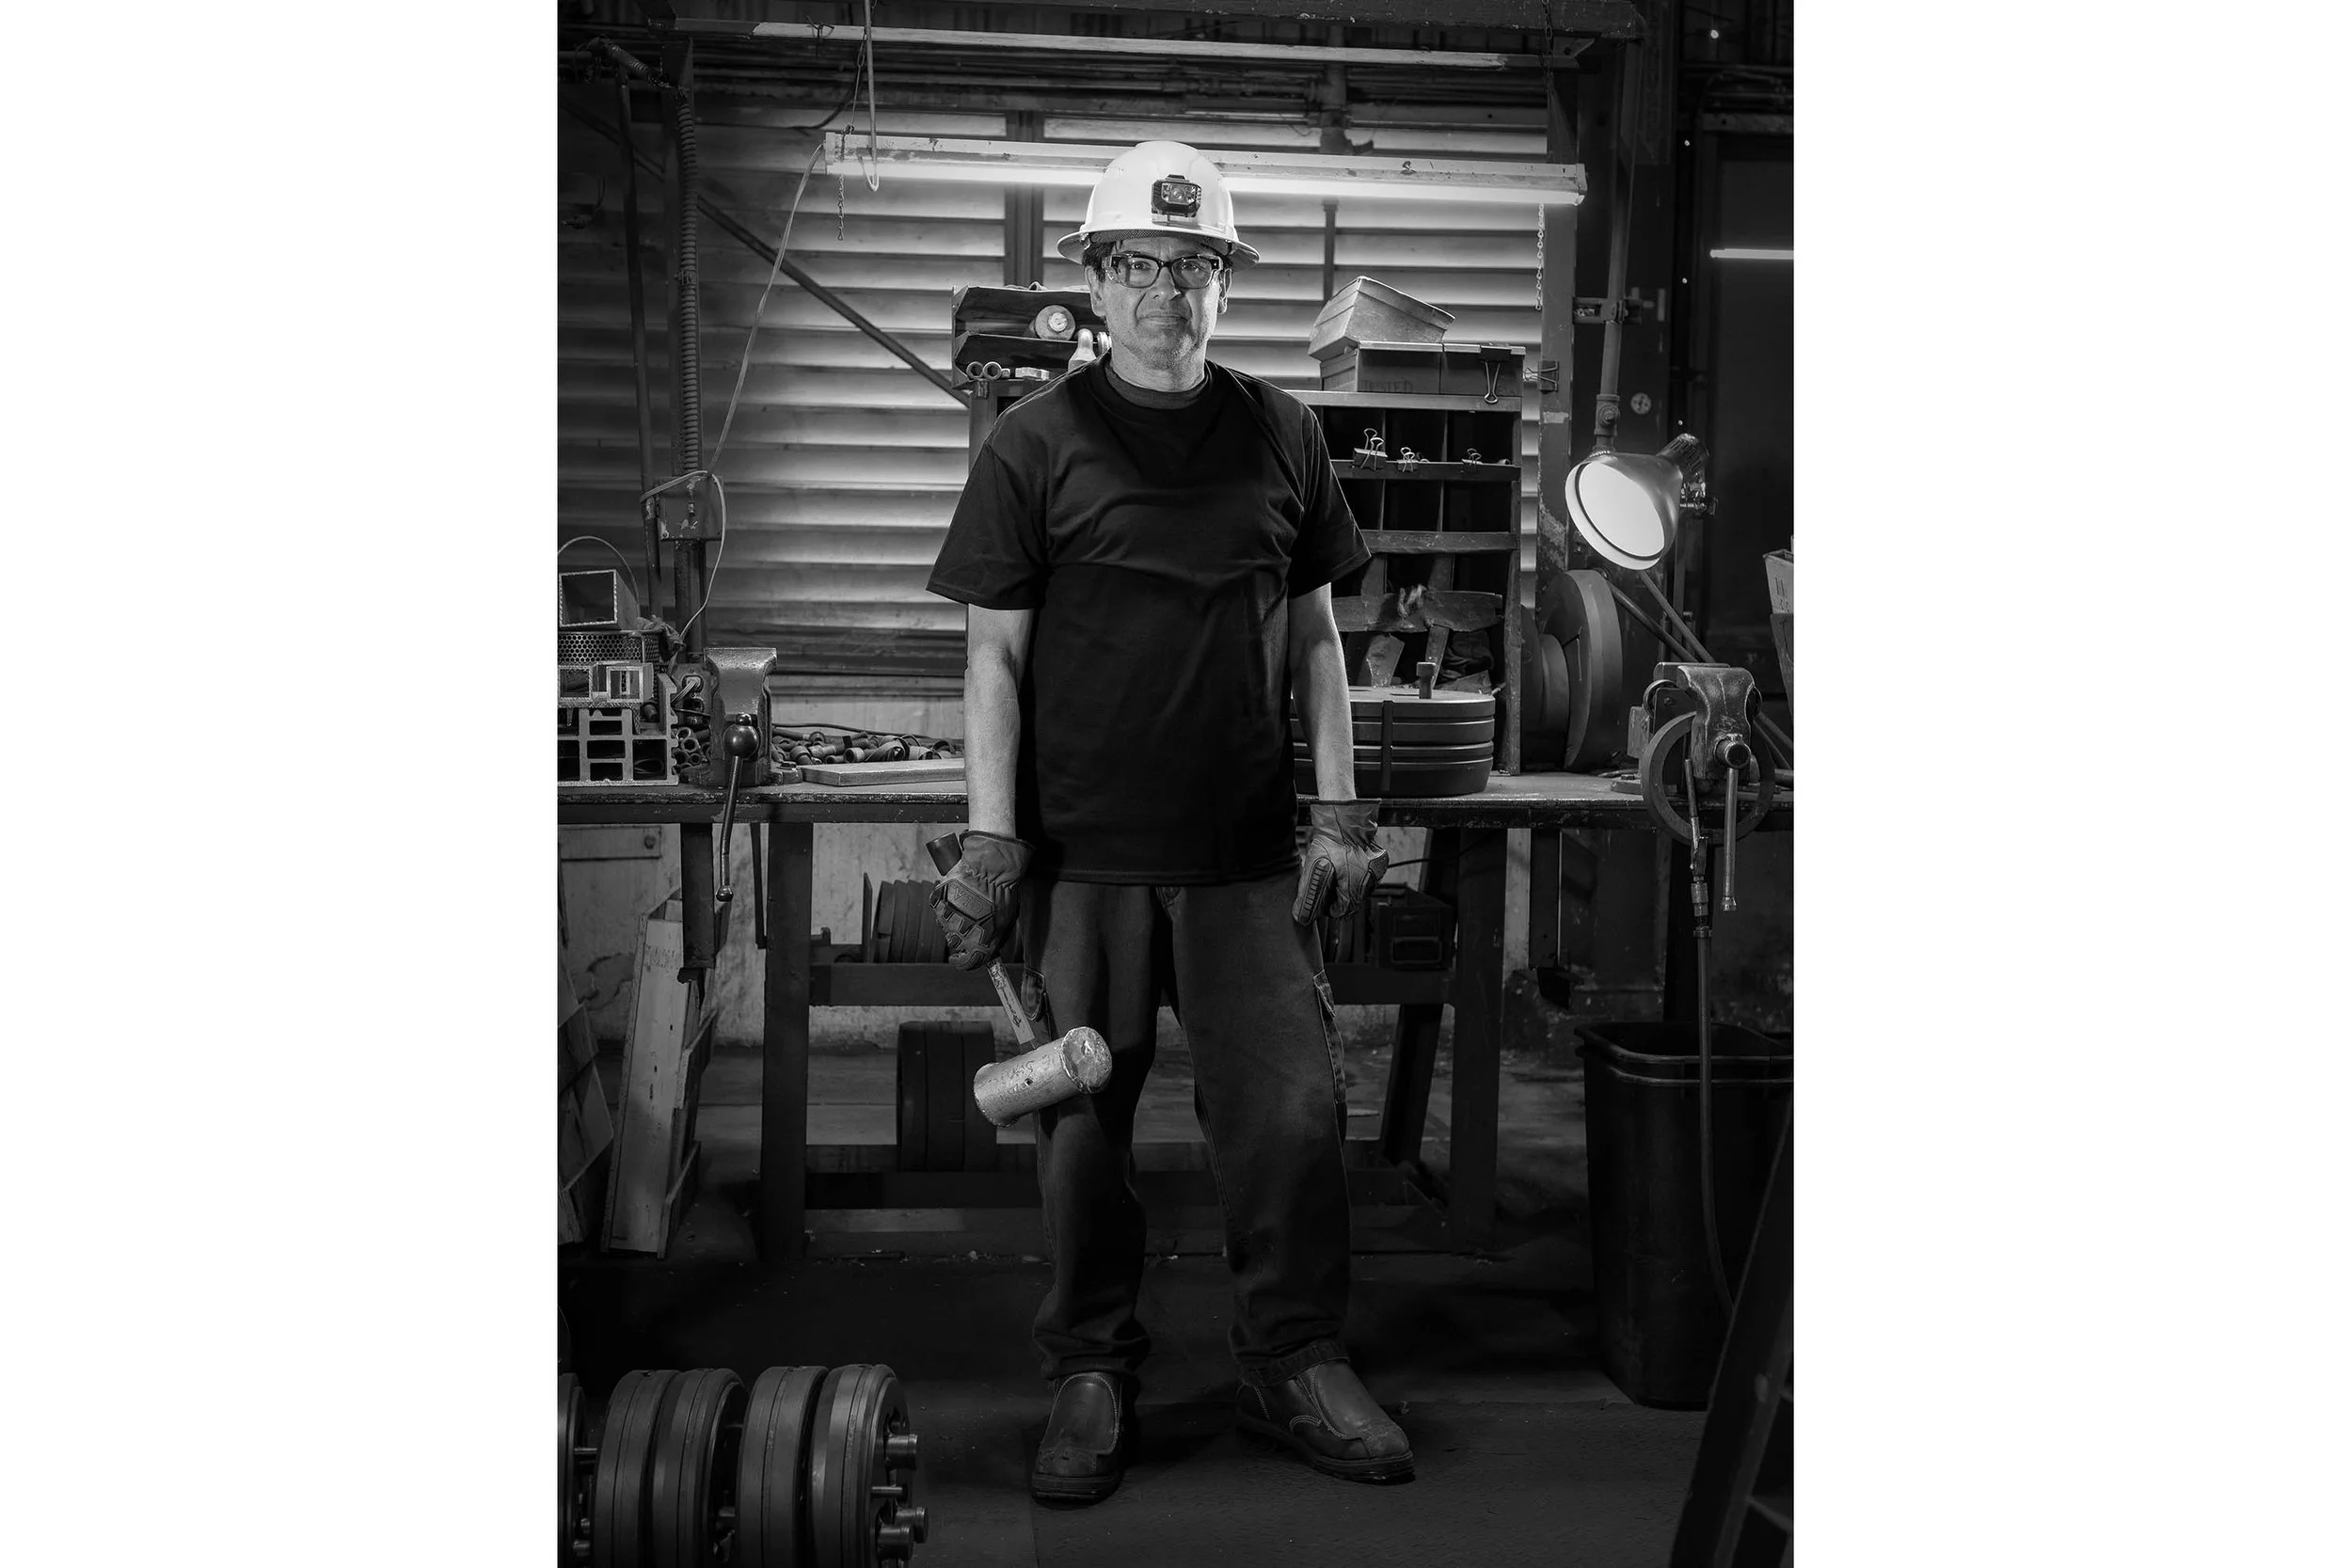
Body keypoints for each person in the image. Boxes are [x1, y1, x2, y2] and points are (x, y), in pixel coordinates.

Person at [925, 140, 1414, 1503]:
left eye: (1194, 268)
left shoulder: (1283, 432)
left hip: (1251, 860)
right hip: (1084, 860)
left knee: (1292, 1118)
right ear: (1097, 276)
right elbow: (994, 659)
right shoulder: (1035, 445)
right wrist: (992, 836)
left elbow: (1319, 638)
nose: (1166, 295)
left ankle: (1295, 1353)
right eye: (1140, 265)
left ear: (1222, 284)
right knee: (1082, 1128)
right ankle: (1090, 1364)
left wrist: (1338, 806)